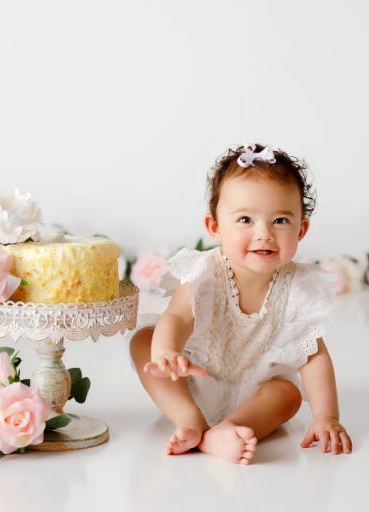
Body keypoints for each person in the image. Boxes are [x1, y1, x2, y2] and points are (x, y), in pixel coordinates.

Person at [128, 143, 352, 464]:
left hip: (256, 390)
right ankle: (189, 418)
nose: (264, 234)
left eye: (280, 221)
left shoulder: (300, 287)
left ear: (301, 229)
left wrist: (326, 416)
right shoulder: (204, 272)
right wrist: (168, 352)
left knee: (288, 395)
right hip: (193, 375)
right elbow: (177, 317)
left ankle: (232, 429)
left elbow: (313, 356)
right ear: (215, 228)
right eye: (245, 219)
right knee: (144, 341)